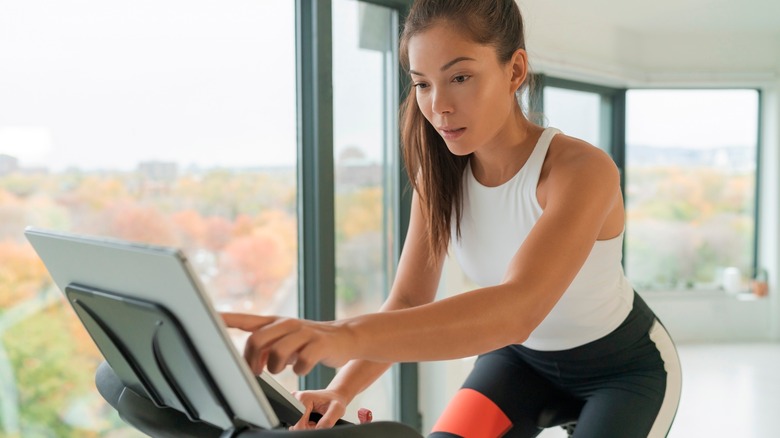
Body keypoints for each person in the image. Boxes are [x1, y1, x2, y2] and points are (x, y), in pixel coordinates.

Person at [223, 0, 682, 436]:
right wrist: (341, 388)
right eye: (422, 83)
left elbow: (518, 308)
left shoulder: (581, 170)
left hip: (622, 371)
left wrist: (341, 336)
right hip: (518, 363)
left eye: (459, 77)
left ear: (515, 70)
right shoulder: (439, 175)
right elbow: (408, 301)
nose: (438, 105)